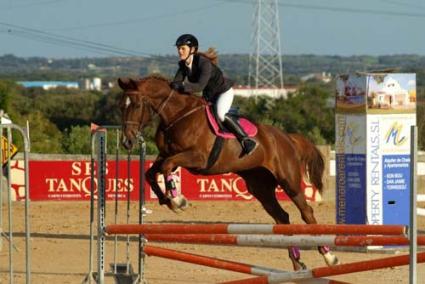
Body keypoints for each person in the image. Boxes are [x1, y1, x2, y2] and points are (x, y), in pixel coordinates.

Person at [170, 34, 257, 156]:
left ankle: (245, 140)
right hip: (208, 95)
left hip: (223, 92)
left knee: (221, 115)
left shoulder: (204, 64)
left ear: (193, 49)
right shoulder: (183, 65)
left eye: (182, 48)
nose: (179, 51)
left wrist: (182, 86)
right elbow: (175, 83)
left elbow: (199, 86)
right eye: (178, 48)